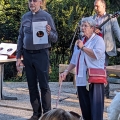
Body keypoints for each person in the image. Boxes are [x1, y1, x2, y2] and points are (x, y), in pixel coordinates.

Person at [16, 0, 58, 120]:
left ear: (41, 2)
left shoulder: (46, 17)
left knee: (44, 86)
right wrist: (18, 57)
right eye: (30, 1)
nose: (32, 3)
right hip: (27, 55)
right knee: (32, 86)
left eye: (34, 1)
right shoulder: (25, 17)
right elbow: (20, 37)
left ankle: (47, 115)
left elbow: (55, 38)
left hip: (41, 54)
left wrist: (49, 33)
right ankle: (36, 114)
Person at [60, 17, 105, 120]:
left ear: (93, 28)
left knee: (96, 110)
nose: (82, 28)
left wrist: (83, 47)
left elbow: (96, 55)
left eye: (85, 26)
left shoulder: (98, 40)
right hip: (81, 79)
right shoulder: (79, 42)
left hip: (94, 79)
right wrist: (66, 71)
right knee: (85, 110)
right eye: (82, 25)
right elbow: (74, 60)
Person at [93, 0, 120, 98]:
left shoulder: (111, 18)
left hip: (105, 49)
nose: (95, 8)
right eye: (95, 6)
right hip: (94, 49)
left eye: (97, 6)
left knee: (103, 70)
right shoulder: (93, 18)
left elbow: (118, 32)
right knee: (94, 69)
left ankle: (104, 93)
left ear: (103, 6)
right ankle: (95, 91)